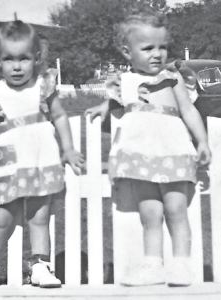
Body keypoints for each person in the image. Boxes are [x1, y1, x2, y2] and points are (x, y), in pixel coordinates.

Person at [0, 20, 84, 289]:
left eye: (23, 59)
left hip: (40, 160)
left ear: (35, 59)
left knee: (39, 217)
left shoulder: (42, 87)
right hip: (7, 163)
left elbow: (59, 116)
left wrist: (68, 148)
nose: (16, 66)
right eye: (9, 59)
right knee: (1, 218)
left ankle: (40, 266)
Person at [85, 8, 211, 287]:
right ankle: (152, 265)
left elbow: (188, 110)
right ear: (127, 53)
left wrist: (201, 140)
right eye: (148, 48)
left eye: (163, 47)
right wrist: (103, 106)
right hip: (139, 154)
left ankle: (180, 265)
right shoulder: (124, 82)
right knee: (150, 213)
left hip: (172, 150)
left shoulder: (174, 78)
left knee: (176, 208)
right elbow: (116, 103)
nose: (158, 54)